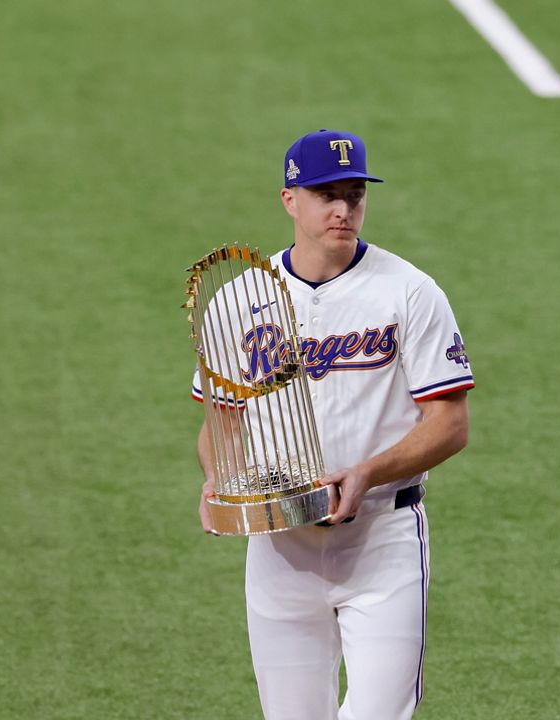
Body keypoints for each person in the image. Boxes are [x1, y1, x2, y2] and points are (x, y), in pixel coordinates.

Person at [191, 129, 474, 720]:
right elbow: (222, 424)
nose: (344, 210)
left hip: (382, 542)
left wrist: (368, 473)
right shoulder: (237, 300)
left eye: (354, 194)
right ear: (289, 199)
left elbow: (449, 423)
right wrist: (221, 482)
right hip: (278, 548)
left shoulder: (411, 293)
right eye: (326, 195)